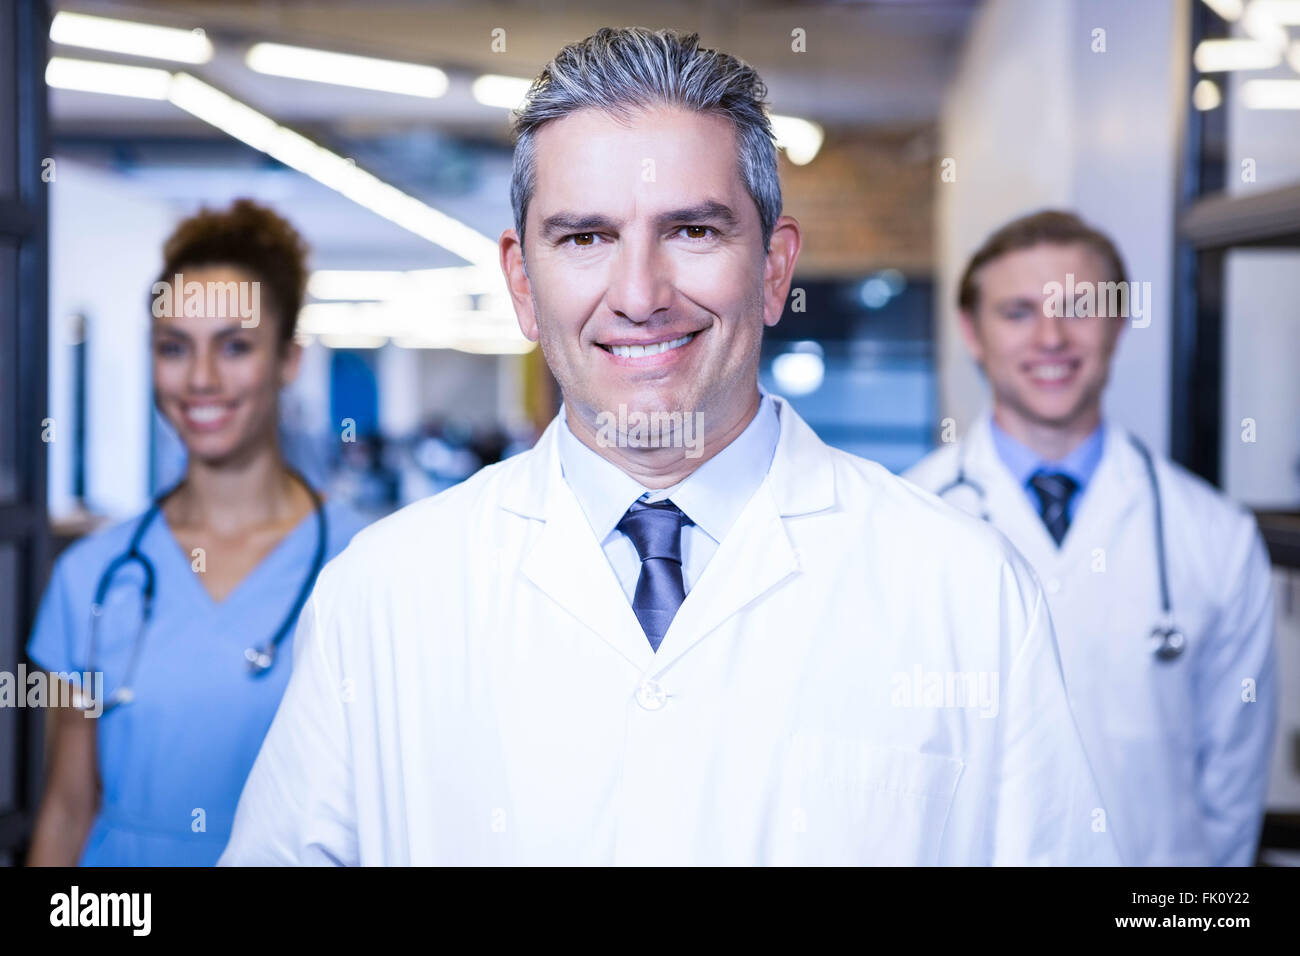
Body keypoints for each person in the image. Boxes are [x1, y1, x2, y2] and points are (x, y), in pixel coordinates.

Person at [220, 28, 1118, 866]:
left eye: (692, 231)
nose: (641, 293)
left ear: (772, 269)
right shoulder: (382, 597)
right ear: (522, 284)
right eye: (585, 237)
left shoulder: (963, 591)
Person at [905, 210, 1276, 866]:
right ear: (972, 332)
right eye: (1018, 312)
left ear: (1118, 321)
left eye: (1078, 307)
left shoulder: (1215, 536)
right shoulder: (903, 524)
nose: (1051, 337)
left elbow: (1233, 784)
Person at [25, 199, 368, 866]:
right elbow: (67, 811)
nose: (202, 379)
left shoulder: (367, 565)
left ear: (288, 360)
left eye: (235, 346)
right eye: (174, 348)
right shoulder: (92, 574)